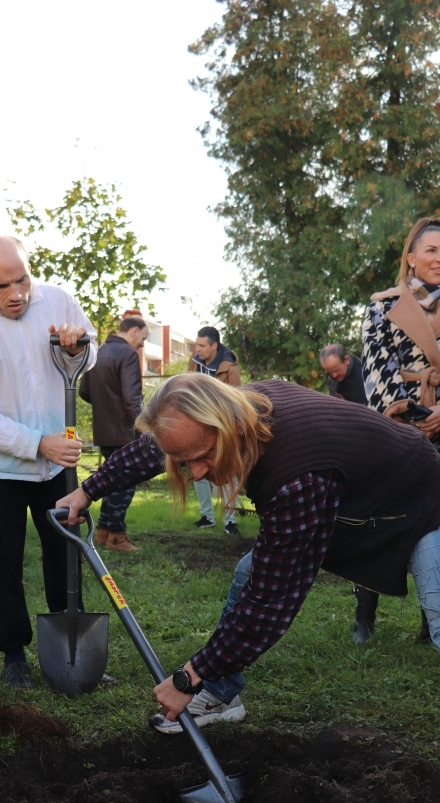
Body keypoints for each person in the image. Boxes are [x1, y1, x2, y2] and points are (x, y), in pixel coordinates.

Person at [57, 373, 440, 732]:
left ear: (232, 428)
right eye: (186, 462)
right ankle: (221, 696)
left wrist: (189, 675)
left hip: (426, 498)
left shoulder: (295, 476)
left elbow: (270, 603)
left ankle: (209, 685)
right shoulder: (234, 408)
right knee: (249, 572)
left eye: (204, 456)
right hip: (358, 502)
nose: (199, 473)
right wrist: (88, 490)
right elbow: (152, 449)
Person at [0, 235, 96, 688]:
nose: (17, 294)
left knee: (63, 555)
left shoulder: (59, 302)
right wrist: (36, 443)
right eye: (2, 286)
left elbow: (93, 356)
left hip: (58, 467)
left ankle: (63, 647)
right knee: (3, 562)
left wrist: (76, 349)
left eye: (23, 280)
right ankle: (14, 654)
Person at [361, 217, 440, 641]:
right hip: (399, 427)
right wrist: (415, 419)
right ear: (411, 258)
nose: (438, 260)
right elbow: (376, 373)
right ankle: (364, 614)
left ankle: (432, 619)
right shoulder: (381, 306)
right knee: (381, 517)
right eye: (431, 251)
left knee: (437, 522)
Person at [318, 342, 380, 641]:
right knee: (364, 535)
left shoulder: (371, 372)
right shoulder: (335, 379)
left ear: (347, 360)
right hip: (357, 456)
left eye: (337, 370)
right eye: (329, 373)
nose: (334, 377)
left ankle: (428, 623)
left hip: (384, 446)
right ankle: (364, 619)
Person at [78, 315, 147, 551]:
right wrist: (143, 429)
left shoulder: (97, 352)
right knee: (124, 484)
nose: (142, 345)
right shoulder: (128, 354)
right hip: (125, 432)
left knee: (111, 481)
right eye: (143, 339)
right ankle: (117, 537)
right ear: (134, 331)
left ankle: (103, 532)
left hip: (103, 430)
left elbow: (84, 391)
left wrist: (104, 404)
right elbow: (132, 399)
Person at [188, 326, 241, 535]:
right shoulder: (194, 361)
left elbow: (237, 399)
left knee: (228, 471)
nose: (197, 349)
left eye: (202, 345)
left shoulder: (229, 367)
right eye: (196, 344)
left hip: (222, 427)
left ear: (214, 346)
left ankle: (231, 520)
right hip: (198, 426)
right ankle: (206, 516)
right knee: (197, 470)